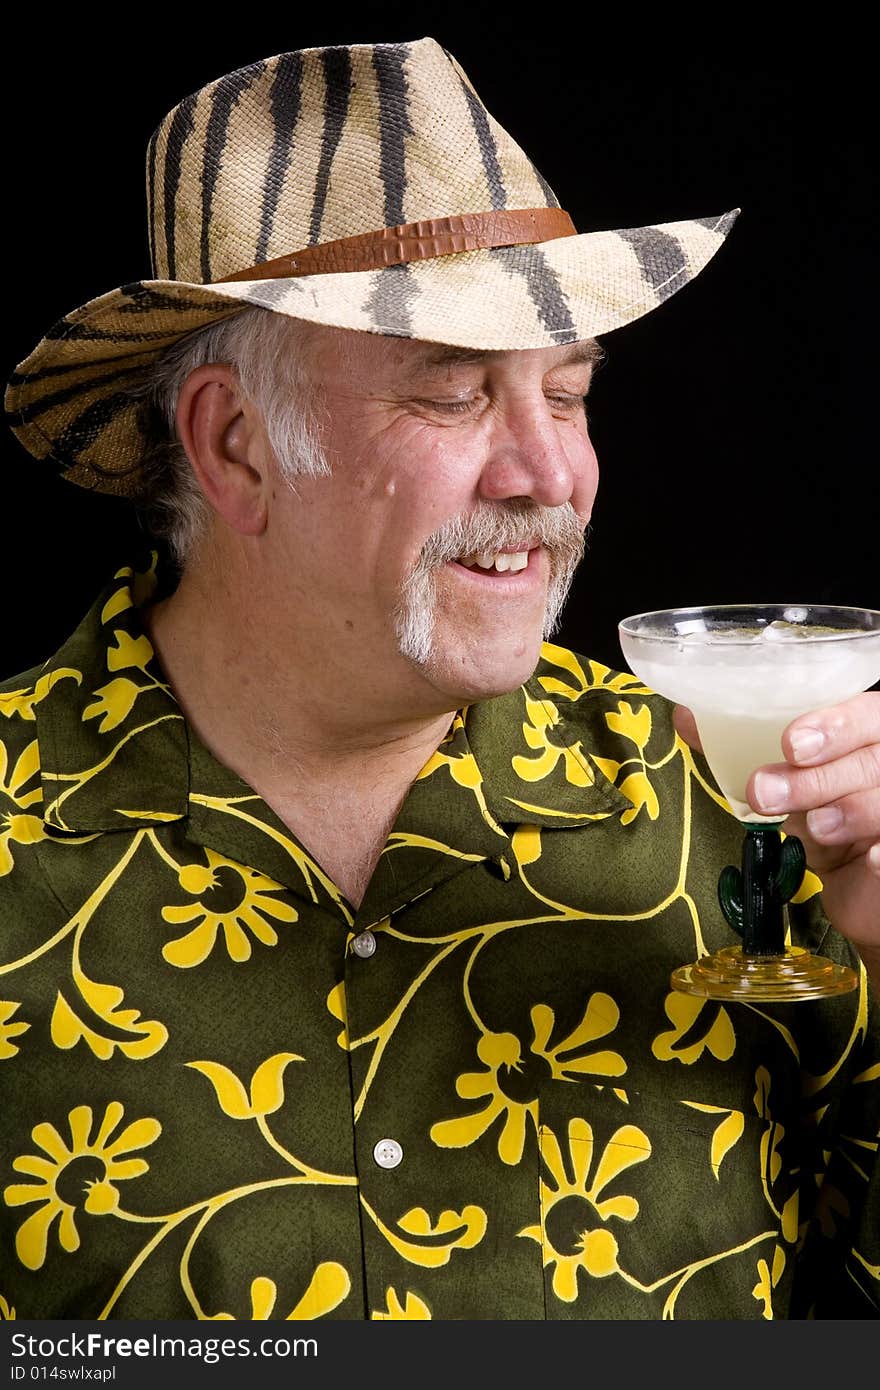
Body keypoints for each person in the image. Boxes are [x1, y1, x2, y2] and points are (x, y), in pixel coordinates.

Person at [0, 37, 877, 1323]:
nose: (546, 475)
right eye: (457, 396)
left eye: (567, 396)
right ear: (233, 444)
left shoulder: (741, 803)